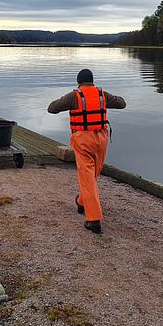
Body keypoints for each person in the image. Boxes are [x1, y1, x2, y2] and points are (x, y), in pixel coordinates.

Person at [47, 68, 126, 234]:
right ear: (92, 81)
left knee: (87, 177)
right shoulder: (102, 94)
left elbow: (51, 108)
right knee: (92, 175)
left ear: (78, 82)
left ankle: (93, 220)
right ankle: (82, 202)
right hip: (101, 140)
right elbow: (122, 103)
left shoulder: (74, 96)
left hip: (83, 140)